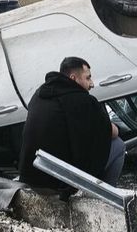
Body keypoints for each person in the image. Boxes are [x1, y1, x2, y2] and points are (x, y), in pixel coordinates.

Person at [18, 57, 126, 190]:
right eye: (88, 78)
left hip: (31, 175)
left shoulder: (39, 95)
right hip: (58, 182)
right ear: (73, 78)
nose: (91, 84)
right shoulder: (80, 100)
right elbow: (112, 132)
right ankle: (106, 196)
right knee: (119, 145)